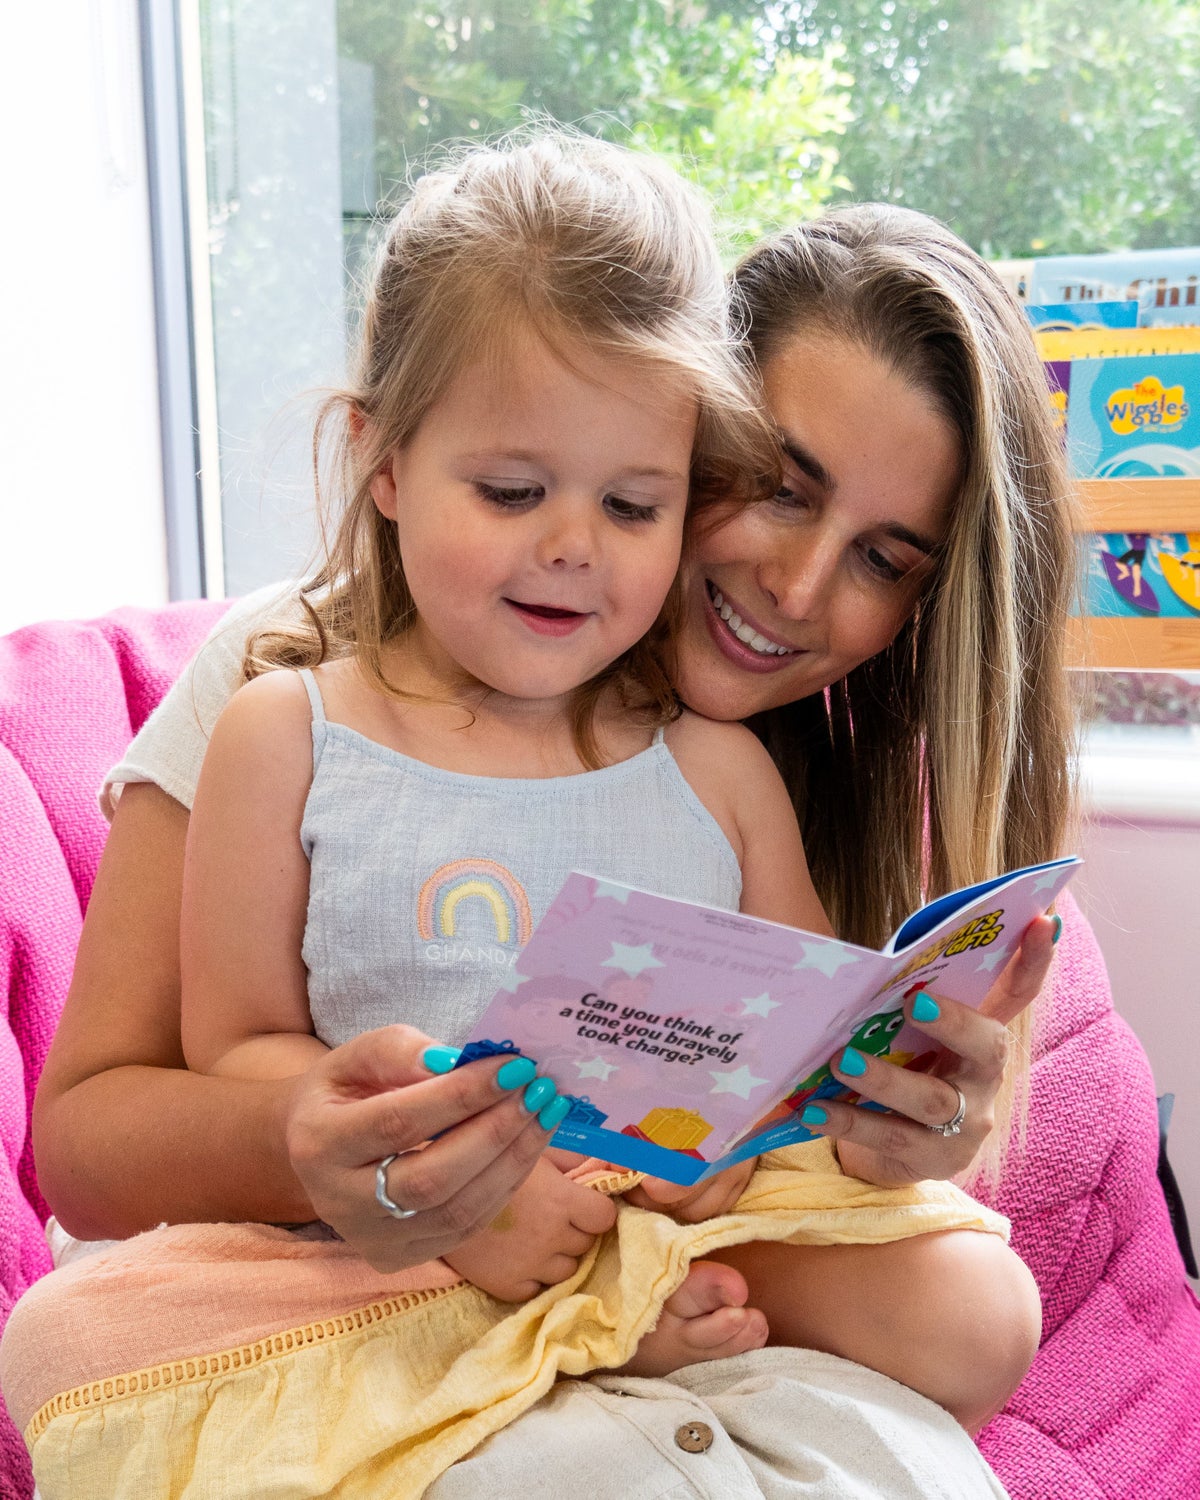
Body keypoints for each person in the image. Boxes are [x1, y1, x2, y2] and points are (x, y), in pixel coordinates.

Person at [18, 192, 1073, 1493]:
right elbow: (114, 1119)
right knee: (72, 1338)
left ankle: (593, 1327)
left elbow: (780, 1088)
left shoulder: (746, 764)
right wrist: (389, 1156)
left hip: (645, 1225)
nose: (797, 591)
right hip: (358, 1235)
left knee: (976, 1303)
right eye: (779, 489)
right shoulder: (284, 701)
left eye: (883, 557)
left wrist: (884, 1106)